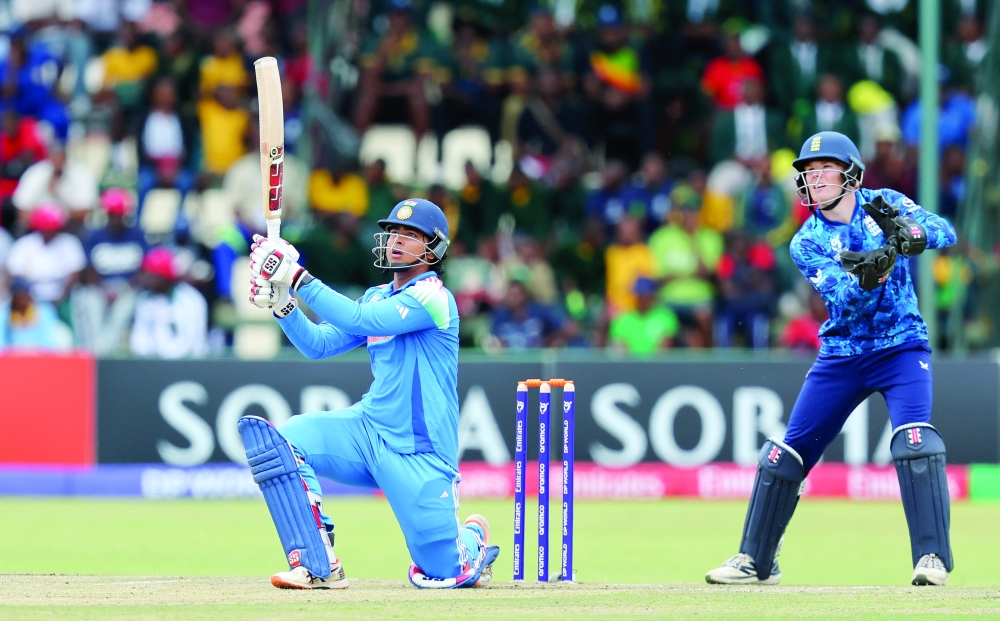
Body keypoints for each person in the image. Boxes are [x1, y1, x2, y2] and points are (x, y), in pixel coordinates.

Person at [705, 131, 958, 586]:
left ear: (851, 174)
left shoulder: (884, 202)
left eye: (825, 168)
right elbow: (842, 298)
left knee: (916, 440)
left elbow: (945, 230)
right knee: (786, 456)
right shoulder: (807, 241)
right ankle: (756, 561)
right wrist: (870, 276)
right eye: (808, 171)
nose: (815, 177)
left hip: (901, 346)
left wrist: (911, 234)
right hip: (843, 354)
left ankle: (932, 558)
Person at [244, 198, 499, 589]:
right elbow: (319, 346)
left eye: (410, 234)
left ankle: (473, 539)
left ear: (435, 247)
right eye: (394, 231)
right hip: (367, 431)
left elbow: (358, 320)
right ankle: (319, 559)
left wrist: (296, 277)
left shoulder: (433, 297)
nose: (397, 239)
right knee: (288, 439)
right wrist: (284, 305)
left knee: (445, 572)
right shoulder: (378, 295)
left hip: (420, 453)